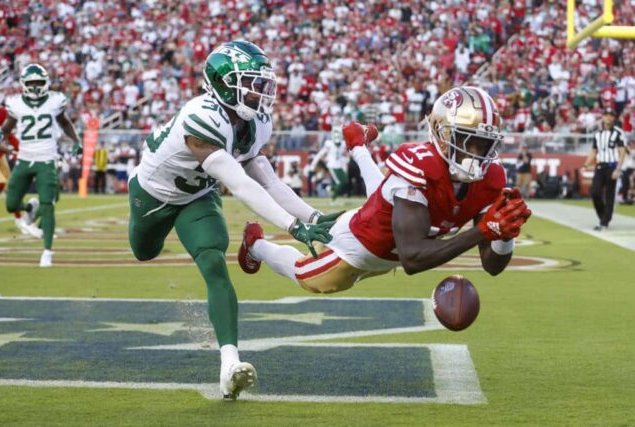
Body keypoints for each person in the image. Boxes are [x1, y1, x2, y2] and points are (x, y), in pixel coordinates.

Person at [128, 40, 340, 400]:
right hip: (153, 195)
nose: (261, 93)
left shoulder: (254, 123)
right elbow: (239, 184)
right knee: (144, 251)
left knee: (214, 263)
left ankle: (229, 364)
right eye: (252, 83)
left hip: (197, 196)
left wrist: (313, 216)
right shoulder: (203, 117)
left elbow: (268, 181)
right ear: (223, 82)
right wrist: (292, 226)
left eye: (263, 84)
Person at [238, 86, 531, 295]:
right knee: (311, 278)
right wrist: (483, 230)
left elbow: (492, 267)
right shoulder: (420, 163)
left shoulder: (491, 176)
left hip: (393, 232)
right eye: (467, 141)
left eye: (484, 144)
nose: (476, 154)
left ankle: (357, 143)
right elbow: (413, 258)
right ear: (441, 134)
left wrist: (504, 235)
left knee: (384, 194)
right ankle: (255, 244)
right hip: (361, 244)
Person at [0, 64, 82, 267]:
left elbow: (65, 123)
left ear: (45, 83)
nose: (35, 86)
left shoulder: (55, 100)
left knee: (48, 205)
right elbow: (6, 128)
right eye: (31, 83)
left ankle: (47, 251)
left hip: (47, 159)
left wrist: (76, 141)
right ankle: (29, 207)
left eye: (38, 82)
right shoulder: (15, 104)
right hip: (24, 159)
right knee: (10, 204)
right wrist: (0, 136)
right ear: (24, 84)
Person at [0, 87, 35, 237]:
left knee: (12, 188)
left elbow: (8, 135)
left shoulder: (3, 113)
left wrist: (21, 148)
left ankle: (19, 220)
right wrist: (12, 150)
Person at [583, 107, 626, 230]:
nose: (608, 117)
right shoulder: (598, 134)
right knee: (595, 192)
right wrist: (586, 164)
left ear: (614, 118)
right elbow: (594, 151)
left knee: (609, 195)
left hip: (612, 166)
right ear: (602, 117)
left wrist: (618, 169)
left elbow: (622, 152)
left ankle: (604, 222)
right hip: (600, 166)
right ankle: (603, 216)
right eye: (606, 115)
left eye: (611, 115)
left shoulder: (618, 133)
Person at [309, 125, 349, 203]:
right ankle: (332, 196)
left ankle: (331, 189)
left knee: (345, 182)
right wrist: (313, 165)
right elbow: (320, 154)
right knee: (340, 183)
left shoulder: (343, 144)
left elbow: (344, 155)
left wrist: (345, 163)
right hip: (332, 165)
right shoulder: (329, 144)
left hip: (340, 165)